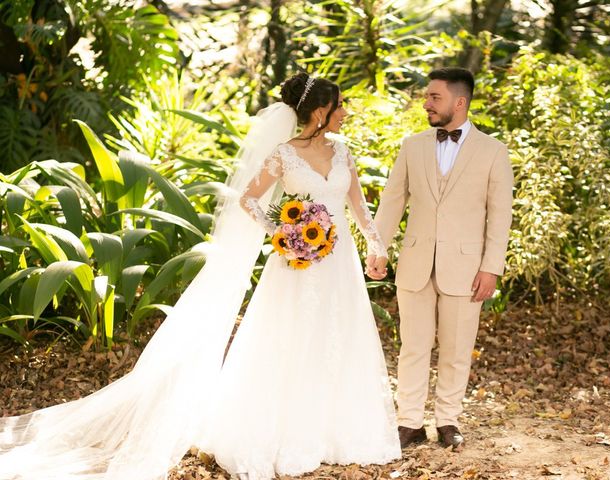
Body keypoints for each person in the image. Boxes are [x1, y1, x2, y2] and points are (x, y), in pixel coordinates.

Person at [0, 72, 401, 479]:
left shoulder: (343, 153)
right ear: (320, 111)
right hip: (297, 264)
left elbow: (359, 210)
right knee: (292, 337)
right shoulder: (284, 154)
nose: (346, 113)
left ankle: (338, 429)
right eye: (340, 105)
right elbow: (248, 198)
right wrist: (284, 234)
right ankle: (289, 431)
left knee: (338, 335)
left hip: (339, 262)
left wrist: (377, 246)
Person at [368, 67, 513, 450]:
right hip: (416, 262)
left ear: (459, 102)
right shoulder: (411, 146)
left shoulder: (493, 152)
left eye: (435, 97)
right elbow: (392, 201)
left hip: (467, 269)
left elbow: (500, 215)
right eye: (427, 96)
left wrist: (491, 267)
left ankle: (448, 420)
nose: (426, 102)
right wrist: (377, 248)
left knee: (456, 349)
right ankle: (409, 422)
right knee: (412, 347)